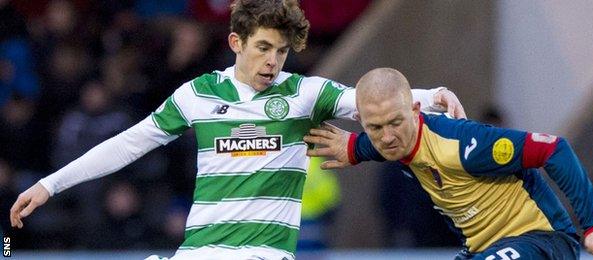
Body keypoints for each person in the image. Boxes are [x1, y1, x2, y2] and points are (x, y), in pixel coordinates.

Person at [9, 1, 466, 259]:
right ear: (235, 43)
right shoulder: (198, 95)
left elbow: (370, 100)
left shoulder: (304, 94)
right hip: (200, 253)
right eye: (263, 48)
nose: (273, 61)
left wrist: (433, 94)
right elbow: (130, 143)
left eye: (282, 51)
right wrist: (50, 184)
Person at [303, 68, 593, 259]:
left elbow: (554, 149)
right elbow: (381, 144)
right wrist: (355, 148)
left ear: (416, 110)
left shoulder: (463, 144)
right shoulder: (390, 142)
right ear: (361, 121)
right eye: (375, 127)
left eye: (395, 122)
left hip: (542, 241)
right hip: (485, 248)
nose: (387, 136)